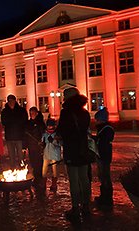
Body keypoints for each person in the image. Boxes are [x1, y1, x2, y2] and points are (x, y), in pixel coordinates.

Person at [56, 87, 92, 222]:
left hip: (71, 150)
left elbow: (62, 131)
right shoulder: (85, 113)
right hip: (83, 149)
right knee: (84, 179)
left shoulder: (66, 113)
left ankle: (75, 208)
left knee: (74, 180)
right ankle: (86, 205)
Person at [93, 107, 115, 210]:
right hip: (101, 154)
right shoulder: (103, 128)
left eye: (97, 120)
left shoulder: (107, 129)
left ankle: (107, 198)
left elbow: (104, 140)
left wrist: (96, 139)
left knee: (105, 176)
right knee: (102, 175)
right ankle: (104, 196)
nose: (95, 122)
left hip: (104, 155)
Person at [1, 94, 28, 169]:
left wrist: (12, 121)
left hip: (19, 137)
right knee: (11, 156)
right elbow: (4, 122)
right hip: (9, 137)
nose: (11, 102)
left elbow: (24, 121)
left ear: (15, 101)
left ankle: (22, 169)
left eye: (12, 100)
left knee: (20, 155)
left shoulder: (21, 110)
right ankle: (13, 169)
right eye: (9, 101)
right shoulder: (5, 111)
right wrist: (15, 121)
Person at [23, 106, 46, 190]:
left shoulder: (40, 123)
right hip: (31, 146)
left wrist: (42, 142)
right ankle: (36, 178)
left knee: (39, 163)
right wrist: (24, 146)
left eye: (33, 113)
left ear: (36, 113)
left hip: (38, 146)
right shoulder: (28, 123)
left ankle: (39, 179)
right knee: (33, 162)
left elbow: (43, 134)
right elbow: (25, 135)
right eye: (30, 113)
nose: (32, 114)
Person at [41, 118, 62, 193]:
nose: (49, 127)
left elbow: (60, 144)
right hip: (46, 154)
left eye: (51, 126)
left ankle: (54, 185)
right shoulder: (45, 134)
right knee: (44, 171)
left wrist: (54, 141)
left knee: (55, 171)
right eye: (48, 126)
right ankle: (43, 184)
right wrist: (42, 144)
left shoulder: (57, 134)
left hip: (55, 155)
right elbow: (42, 143)